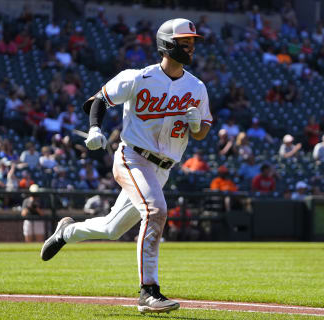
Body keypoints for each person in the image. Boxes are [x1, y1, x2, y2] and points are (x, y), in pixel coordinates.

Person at [40, 18, 211, 314]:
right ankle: (149, 291)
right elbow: (98, 100)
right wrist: (94, 129)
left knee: (111, 228)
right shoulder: (138, 77)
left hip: (163, 169)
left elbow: (202, 131)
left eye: (193, 42)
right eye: (185, 42)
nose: (191, 47)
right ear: (168, 45)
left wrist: (196, 126)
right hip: (133, 157)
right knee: (156, 212)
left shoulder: (196, 86)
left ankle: (66, 232)